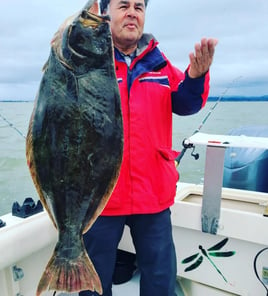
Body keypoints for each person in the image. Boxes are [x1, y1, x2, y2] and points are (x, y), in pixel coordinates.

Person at [80, 0, 217, 295]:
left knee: (160, 281)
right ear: (106, 14)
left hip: (152, 194)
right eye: (123, 5)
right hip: (101, 197)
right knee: (92, 286)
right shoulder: (89, 61)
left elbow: (186, 103)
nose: (132, 12)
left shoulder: (159, 62)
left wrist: (195, 77)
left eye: (139, 7)